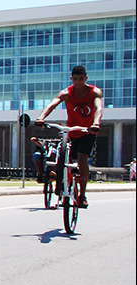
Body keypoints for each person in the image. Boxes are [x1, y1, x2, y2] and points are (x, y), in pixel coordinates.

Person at [36, 65, 103, 208]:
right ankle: (62, 181)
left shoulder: (94, 92)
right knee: (61, 155)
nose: (78, 82)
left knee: (82, 158)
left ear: (86, 78)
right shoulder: (66, 93)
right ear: (71, 78)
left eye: (81, 79)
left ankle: (82, 195)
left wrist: (96, 123)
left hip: (88, 131)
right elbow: (52, 104)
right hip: (71, 131)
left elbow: (98, 108)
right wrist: (41, 117)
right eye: (75, 79)